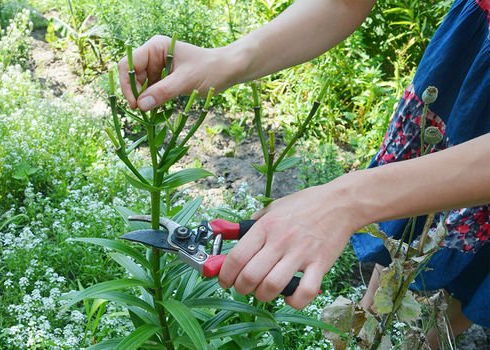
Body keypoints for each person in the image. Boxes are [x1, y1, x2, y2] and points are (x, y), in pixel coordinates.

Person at [118, 0, 490, 347]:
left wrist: (346, 200)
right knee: (400, 275)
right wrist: (231, 58)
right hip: (466, 70)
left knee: (460, 294)